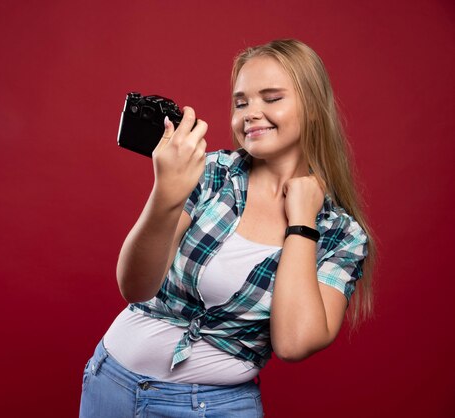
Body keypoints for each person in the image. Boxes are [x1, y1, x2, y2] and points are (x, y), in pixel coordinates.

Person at [79, 38, 375, 418]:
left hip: (214, 409)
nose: (251, 113)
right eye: (241, 102)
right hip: (111, 385)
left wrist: (301, 223)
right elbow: (134, 286)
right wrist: (166, 195)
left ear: (314, 108)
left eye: (271, 98)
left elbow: (294, 342)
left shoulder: (342, 236)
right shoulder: (212, 173)